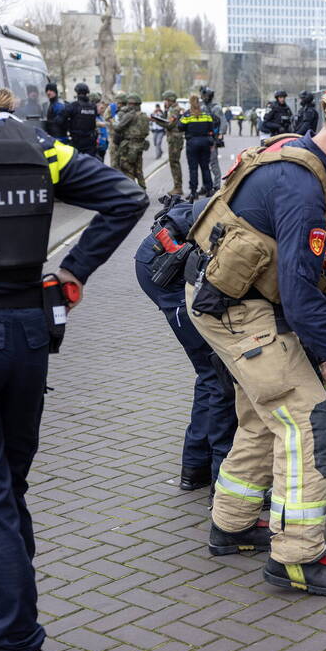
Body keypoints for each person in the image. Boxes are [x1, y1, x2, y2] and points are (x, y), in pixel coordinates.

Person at [0, 23, 149, 651]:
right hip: (26, 338)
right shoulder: (30, 141)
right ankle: (6, 618)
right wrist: (73, 272)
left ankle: (15, 648)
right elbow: (125, 195)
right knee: (7, 488)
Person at [184, 80, 326, 596]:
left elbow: (305, 271)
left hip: (231, 303)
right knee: (309, 420)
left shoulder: (292, 159)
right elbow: (303, 299)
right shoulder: (304, 184)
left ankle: (232, 524)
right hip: (242, 311)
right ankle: (298, 559)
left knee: (265, 419)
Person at [134, 197, 237, 494]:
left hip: (170, 255)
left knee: (212, 371)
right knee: (217, 371)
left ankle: (197, 467)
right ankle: (213, 473)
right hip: (166, 267)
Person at [180, 94, 214, 200]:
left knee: (193, 169)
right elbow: (211, 126)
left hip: (192, 143)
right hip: (205, 142)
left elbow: (180, 127)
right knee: (205, 167)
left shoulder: (187, 115)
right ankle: (209, 190)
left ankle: (194, 192)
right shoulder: (205, 114)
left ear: (190, 103)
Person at [114, 94, 150, 189]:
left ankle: (132, 191)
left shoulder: (130, 115)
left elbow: (118, 128)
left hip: (129, 146)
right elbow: (146, 132)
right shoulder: (144, 115)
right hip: (140, 145)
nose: (128, 105)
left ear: (133, 104)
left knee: (127, 169)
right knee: (139, 170)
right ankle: (142, 189)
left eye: (129, 103)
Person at [60, 82, 99, 157]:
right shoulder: (93, 106)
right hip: (90, 142)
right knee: (89, 164)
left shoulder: (73, 106)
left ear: (77, 93)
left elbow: (60, 120)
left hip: (77, 141)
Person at [200, 86, 223, 191]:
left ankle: (217, 185)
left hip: (212, 139)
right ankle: (205, 185)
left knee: (213, 162)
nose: (203, 97)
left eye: (205, 95)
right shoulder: (200, 107)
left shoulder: (216, 108)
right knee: (204, 163)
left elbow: (223, 122)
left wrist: (221, 134)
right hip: (202, 138)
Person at [162, 90, 184, 195]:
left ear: (170, 100)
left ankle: (178, 187)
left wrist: (156, 120)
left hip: (175, 140)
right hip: (174, 139)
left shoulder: (175, 110)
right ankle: (177, 186)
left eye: (166, 100)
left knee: (174, 162)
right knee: (174, 162)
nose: (164, 102)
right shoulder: (172, 109)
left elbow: (169, 125)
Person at [105, 93, 127, 170]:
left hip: (125, 139)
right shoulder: (111, 107)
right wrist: (114, 122)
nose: (119, 105)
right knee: (114, 162)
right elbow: (106, 118)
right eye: (118, 103)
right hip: (114, 138)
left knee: (125, 163)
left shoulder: (128, 109)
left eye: (120, 103)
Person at [92, 92, 109, 161]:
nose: (101, 108)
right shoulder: (92, 116)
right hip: (97, 146)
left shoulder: (100, 116)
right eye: (98, 106)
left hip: (103, 146)